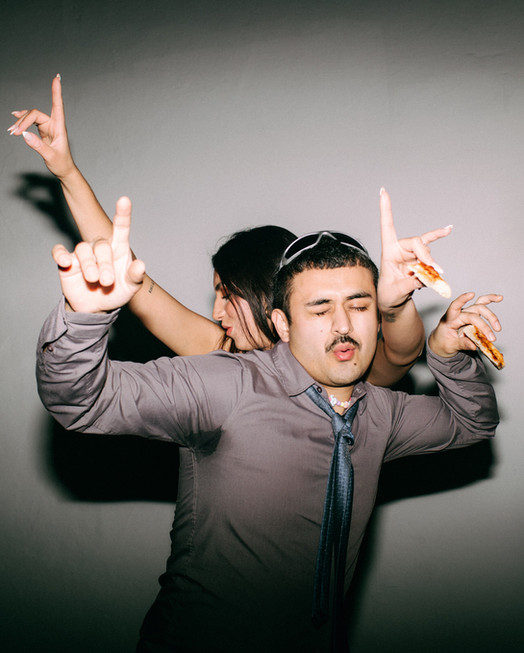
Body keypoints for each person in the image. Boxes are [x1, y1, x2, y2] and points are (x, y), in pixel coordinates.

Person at [36, 194, 501, 652]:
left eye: (359, 306)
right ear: (282, 324)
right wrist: (85, 318)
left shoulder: (382, 411)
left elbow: (473, 421)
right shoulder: (228, 384)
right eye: (320, 309)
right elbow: (80, 399)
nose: (343, 325)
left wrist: (448, 357)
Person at [11, 75, 453, 383]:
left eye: (226, 293)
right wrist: (66, 172)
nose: (217, 311)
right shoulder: (223, 352)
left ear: (265, 289)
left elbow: (402, 352)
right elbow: (134, 282)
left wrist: (394, 304)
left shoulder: (336, 360)